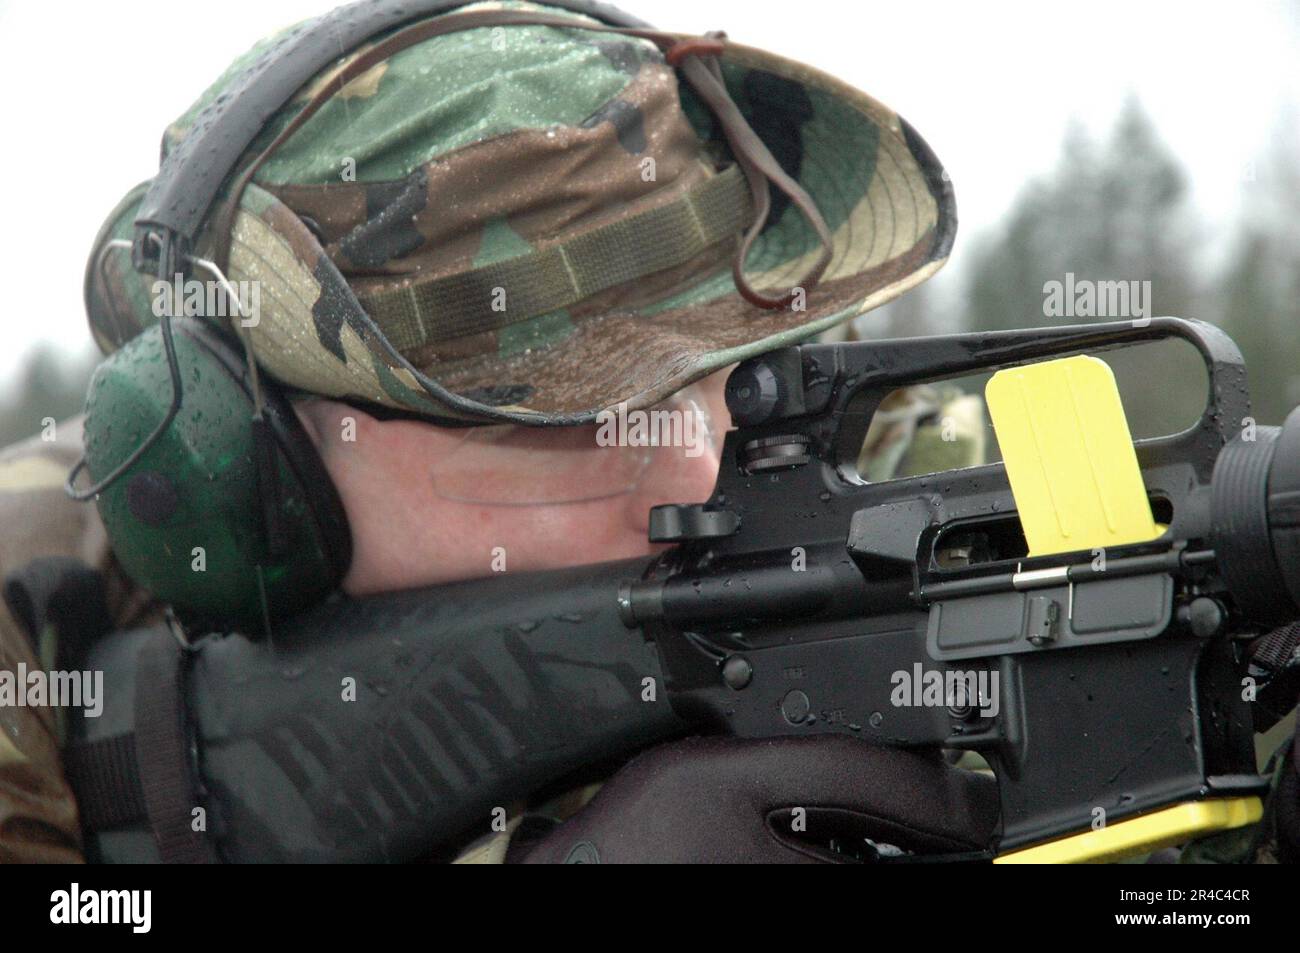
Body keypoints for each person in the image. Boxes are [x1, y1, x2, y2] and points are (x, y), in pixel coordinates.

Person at [0, 0, 981, 863]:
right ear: (265, 483)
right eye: (579, 421)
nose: (697, 472)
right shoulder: (31, 637)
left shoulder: (930, 516)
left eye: (731, 378)